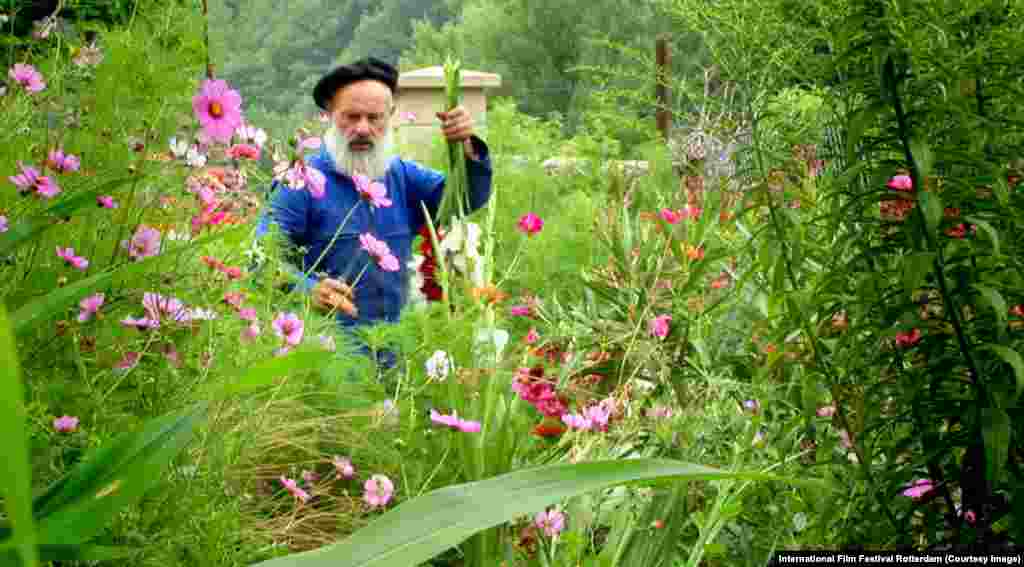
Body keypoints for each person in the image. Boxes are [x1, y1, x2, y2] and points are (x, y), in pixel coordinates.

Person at [256, 57, 493, 357]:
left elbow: (464, 198)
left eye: (374, 117)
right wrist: (306, 290)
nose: (363, 128)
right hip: (326, 360)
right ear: (329, 115)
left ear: (391, 116)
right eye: (351, 117)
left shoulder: (402, 176)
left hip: (397, 353)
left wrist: (468, 146)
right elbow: (260, 257)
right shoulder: (300, 182)